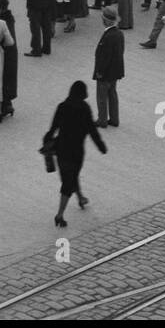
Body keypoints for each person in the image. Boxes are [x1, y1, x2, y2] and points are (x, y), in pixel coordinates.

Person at [47, 80, 107, 227]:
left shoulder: (62, 106)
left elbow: (53, 127)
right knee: (70, 178)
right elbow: (92, 131)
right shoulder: (84, 109)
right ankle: (60, 214)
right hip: (76, 151)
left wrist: (46, 141)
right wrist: (101, 146)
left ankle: (80, 198)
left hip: (61, 149)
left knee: (69, 175)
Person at [92, 6, 125, 128]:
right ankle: (114, 119)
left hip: (105, 72)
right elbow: (121, 51)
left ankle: (102, 120)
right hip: (116, 71)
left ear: (105, 21)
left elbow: (103, 58)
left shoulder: (107, 37)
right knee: (112, 94)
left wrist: (99, 72)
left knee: (101, 96)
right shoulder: (119, 34)